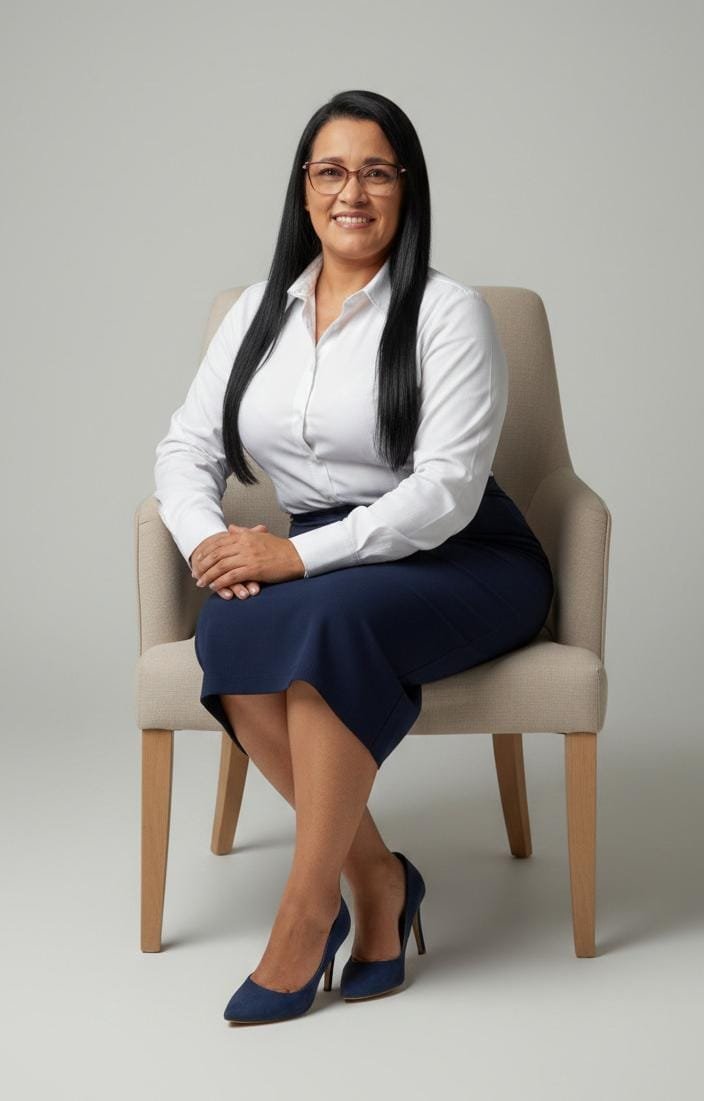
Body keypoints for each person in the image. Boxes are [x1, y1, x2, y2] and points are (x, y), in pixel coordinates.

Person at [153, 89, 554, 1025]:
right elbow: (185, 449)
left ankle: (303, 915)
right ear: (303, 190)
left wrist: (298, 559)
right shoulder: (258, 312)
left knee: (323, 616)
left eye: (377, 172)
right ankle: (375, 879)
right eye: (332, 171)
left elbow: (445, 492)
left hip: (462, 553)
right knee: (232, 622)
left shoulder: (448, 312)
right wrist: (211, 546)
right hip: (338, 556)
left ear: (406, 190)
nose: (353, 193)